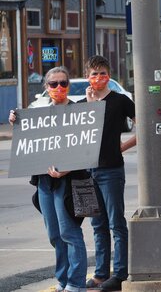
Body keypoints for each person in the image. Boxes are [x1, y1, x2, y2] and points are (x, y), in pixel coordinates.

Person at [9, 66, 88, 292]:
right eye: (54, 84)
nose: (59, 88)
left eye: (63, 83)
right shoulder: (38, 112)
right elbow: (30, 141)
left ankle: (76, 282)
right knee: (55, 234)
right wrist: (17, 121)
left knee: (69, 233)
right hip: (45, 183)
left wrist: (68, 169)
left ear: (68, 86)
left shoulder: (79, 112)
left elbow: (87, 150)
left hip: (69, 183)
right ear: (46, 87)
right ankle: (63, 280)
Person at [81, 56, 136, 292]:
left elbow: (144, 124)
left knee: (116, 223)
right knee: (97, 224)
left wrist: (123, 146)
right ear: (87, 77)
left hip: (112, 170)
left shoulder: (120, 100)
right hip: (88, 171)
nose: (98, 78)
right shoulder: (82, 104)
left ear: (109, 76)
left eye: (103, 73)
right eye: (94, 74)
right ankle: (101, 273)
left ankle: (120, 273)